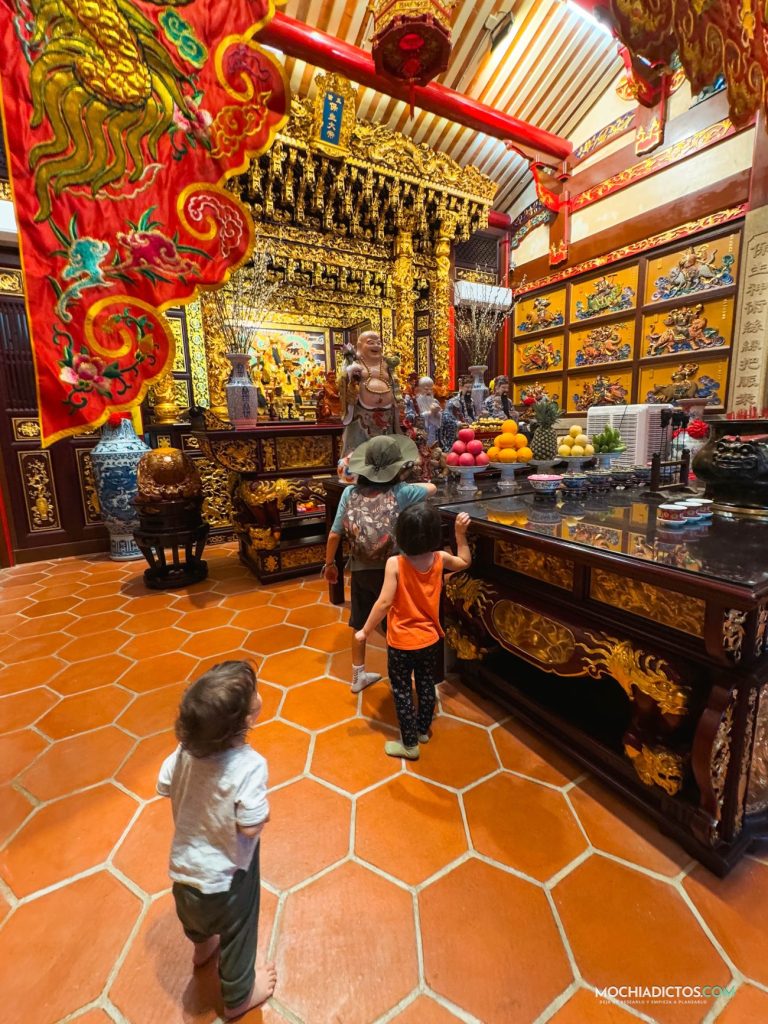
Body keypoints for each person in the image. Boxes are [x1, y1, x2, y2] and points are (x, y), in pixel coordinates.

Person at [157, 661, 275, 1020]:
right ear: (244, 722)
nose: (259, 694)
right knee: (239, 930)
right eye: (254, 692)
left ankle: (202, 949)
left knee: (196, 920)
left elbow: (164, 784)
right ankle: (239, 996)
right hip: (228, 881)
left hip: (184, 871)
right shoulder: (249, 765)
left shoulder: (183, 752)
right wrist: (261, 817)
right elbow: (251, 827)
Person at [355, 507, 472, 760]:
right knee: (426, 683)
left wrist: (365, 630)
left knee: (402, 689)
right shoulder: (440, 558)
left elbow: (384, 603)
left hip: (401, 642)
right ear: (433, 536)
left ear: (401, 535)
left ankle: (409, 745)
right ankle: (421, 730)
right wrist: (460, 534)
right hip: (430, 639)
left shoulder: (395, 564)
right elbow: (464, 561)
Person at [323, 435, 436, 693]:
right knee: (394, 625)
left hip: (361, 568)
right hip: (393, 571)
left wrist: (330, 565)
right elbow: (432, 489)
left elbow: (334, 534)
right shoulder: (402, 492)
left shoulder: (349, 492)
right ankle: (402, 679)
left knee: (360, 623)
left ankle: (357, 676)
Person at [338, 331, 401, 453]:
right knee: (359, 448)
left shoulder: (386, 364)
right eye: (371, 343)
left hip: (387, 413)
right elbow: (342, 382)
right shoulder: (354, 362)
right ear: (360, 346)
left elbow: (395, 385)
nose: (376, 346)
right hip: (361, 414)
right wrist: (350, 374)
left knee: (385, 447)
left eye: (379, 343)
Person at [439, 375, 475, 450]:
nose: (469, 390)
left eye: (471, 387)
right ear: (461, 387)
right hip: (458, 434)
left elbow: (474, 416)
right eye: (467, 387)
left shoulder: (471, 401)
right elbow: (446, 416)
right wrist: (458, 423)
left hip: (472, 432)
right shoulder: (453, 401)